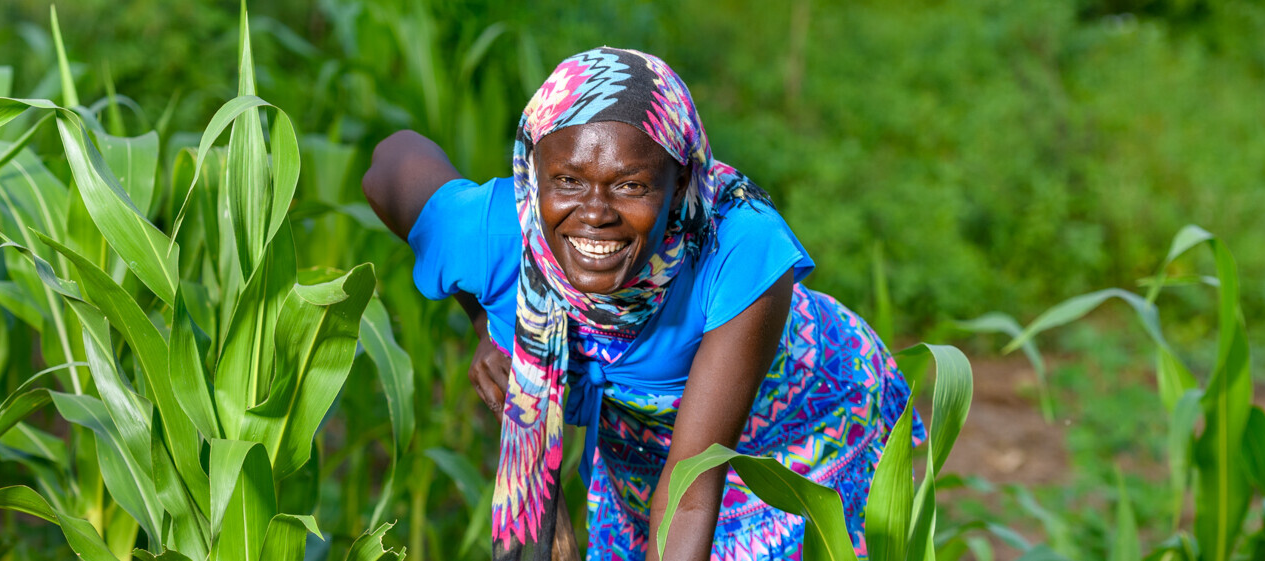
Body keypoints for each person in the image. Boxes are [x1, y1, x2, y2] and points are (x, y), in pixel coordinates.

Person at [362, 46, 922, 561]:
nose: (595, 213)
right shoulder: (507, 233)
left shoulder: (738, 248)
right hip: (643, 450)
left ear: (680, 185)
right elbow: (391, 161)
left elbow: (691, 491)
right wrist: (492, 319)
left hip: (804, 432)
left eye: (631, 186)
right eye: (568, 180)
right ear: (533, 175)